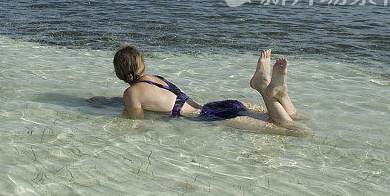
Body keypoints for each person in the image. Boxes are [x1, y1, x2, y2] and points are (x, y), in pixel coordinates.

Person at [111, 46, 308, 135]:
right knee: (292, 119)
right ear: (143, 65)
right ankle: (280, 94)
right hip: (215, 106)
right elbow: (157, 100)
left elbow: (136, 119)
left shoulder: (131, 93)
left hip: (209, 117)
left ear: (119, 74)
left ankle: (264, 87)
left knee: (289, 131)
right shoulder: (157, 79)